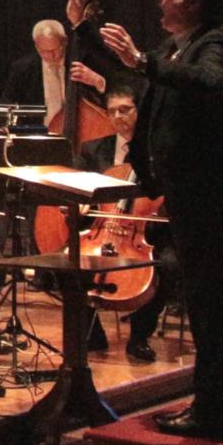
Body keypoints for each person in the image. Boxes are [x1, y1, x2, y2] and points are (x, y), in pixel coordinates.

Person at [99, 0, 223, 442]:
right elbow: (130, 73)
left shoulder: (214, 46)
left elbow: (208, 83)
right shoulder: (174, 48)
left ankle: (216, 412)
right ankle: (210, 405)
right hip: (184, 191)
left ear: (196, 3)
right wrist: (86, 23)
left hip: (206, 194)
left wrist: (142, 60)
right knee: (204, 302)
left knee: (208, 304)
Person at [70, 82, 163, 363]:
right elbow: (75, 184)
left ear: (139, 110)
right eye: (113, 112)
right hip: (101, 229)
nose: (119, 117)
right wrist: (80, 199)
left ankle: (139, 335)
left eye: (126, 109)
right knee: (66, 263)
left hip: (146, 234)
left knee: (169, 265)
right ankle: (92, 332)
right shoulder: (93, 149)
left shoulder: (158, 150)